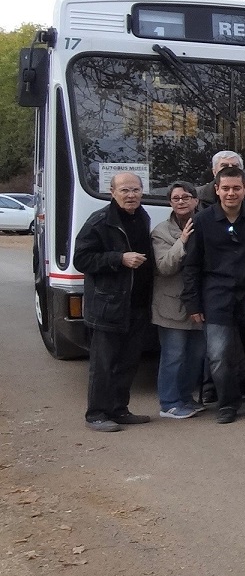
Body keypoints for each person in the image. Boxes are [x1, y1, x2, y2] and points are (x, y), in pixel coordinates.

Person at [183, 165, 245, 423]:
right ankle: (228, 404)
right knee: (218, 356)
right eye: (225, 188)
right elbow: (192, 265)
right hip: (217, 297)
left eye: (236, 188)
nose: (231, 193)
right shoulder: (201, 221)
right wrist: (193, 303)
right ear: (216, 190)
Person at [73, 172, 154, 432]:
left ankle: (119, 410)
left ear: (142, 192)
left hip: (137, 304)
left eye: (135, 190)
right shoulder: (99, 222)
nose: (131, 195)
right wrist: (118, 258)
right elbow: (82, 259)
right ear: (112, 192)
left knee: (128, 362)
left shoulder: (142, 216)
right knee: (103, 365)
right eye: (125, 191)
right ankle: (96, 414)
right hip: (108, 306)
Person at [152, 181, 205, 419]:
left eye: (186, 197)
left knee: (196, 355)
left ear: (196, 200)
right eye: (176, 198)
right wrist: (182, 240)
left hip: (200, 303)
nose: (181, 202)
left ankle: (186, 398)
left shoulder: (206, 223)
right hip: (171, 305)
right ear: (170, 203)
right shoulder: (161, 231)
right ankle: (169, 402)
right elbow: (164, 267)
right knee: (174, 355)